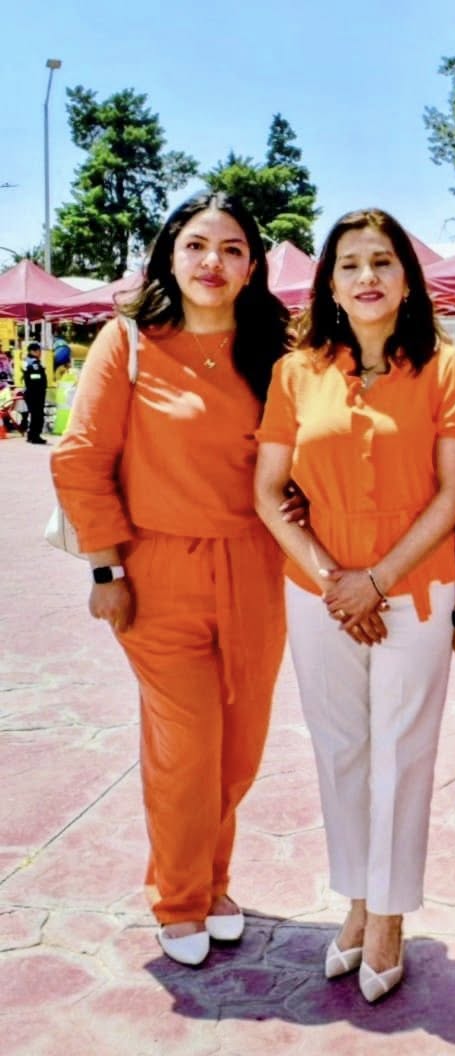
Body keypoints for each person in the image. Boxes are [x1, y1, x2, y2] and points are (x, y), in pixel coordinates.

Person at [50, 191, 291, 967]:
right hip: (157, 573)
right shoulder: (128, 340)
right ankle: (180, 899)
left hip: (255, 566)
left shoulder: (276, 351)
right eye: (195, 245)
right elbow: (81, 459)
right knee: (187, 748)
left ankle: (214, 883)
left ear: (252, 267)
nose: (211, 262)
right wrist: (105, 566)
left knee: (239, 747)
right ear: (169, 256)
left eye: (230, 249)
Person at [254, 208, 455, 1004]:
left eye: (382, 261)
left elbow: (454, 494)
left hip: (414, 589)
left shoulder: (452, 369)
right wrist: (332, 579)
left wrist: (376, 580)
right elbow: (268, 490)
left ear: (408, 279)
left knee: (402, 752)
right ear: (329, 283)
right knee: (340, 749)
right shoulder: (296, 372)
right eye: (349, 264)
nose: (366, 277)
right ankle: (354, 900)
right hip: (318, 593)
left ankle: (388, 915)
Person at [23, 342, 48, 443]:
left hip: (31, 393)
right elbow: (36, 379)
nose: (40, 353)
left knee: (34, 415)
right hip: (35, 393)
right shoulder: (34, 364)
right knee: (37, 415)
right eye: (38, 351)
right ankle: (35, 436)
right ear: (32, 351)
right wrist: (41, 390)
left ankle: (31, 435)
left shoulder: (28, 362)